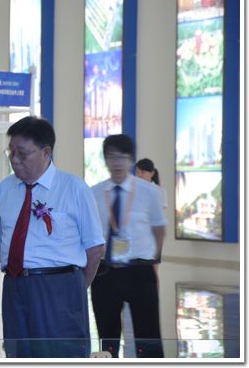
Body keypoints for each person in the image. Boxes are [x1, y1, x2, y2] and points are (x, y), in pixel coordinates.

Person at [0, 116, 105, 358]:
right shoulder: (5, 189)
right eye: (11, 152)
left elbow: (95, 248)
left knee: (62, 355)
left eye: (22, 154)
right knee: (18, 354)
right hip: (15, 287)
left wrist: (74, 288)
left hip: (60, 287)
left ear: (46, 152)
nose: (15, 160)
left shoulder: (73, 188)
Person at [91, 135, 165, 358]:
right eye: (111, 157)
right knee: (107, 338)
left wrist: (154, 262)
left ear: (131, 159)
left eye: (122, 157)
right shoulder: (94, 193)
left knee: (149, 337)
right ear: (105, 159)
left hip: (139, 271)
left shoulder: (149, 192)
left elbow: (158, 229)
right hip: (105, 273)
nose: (117, 162)